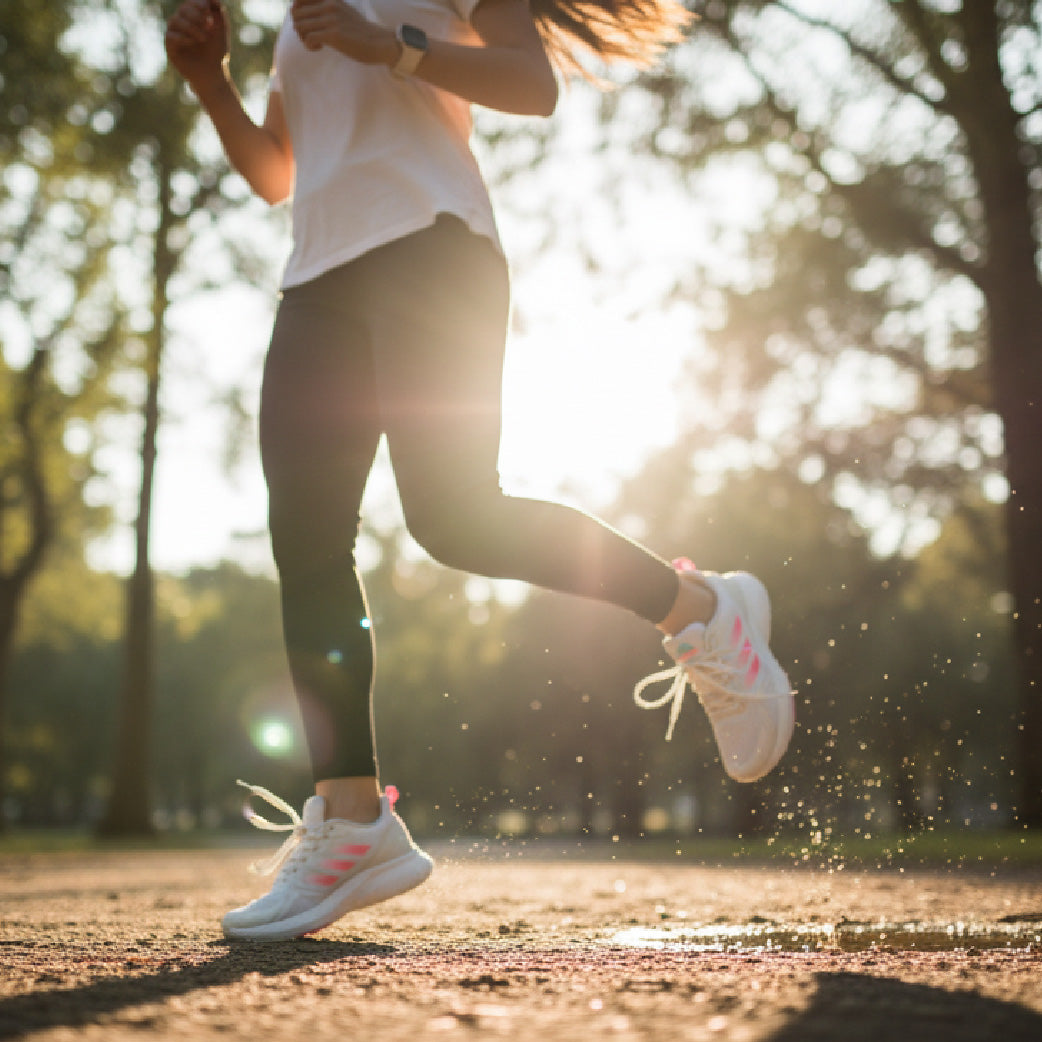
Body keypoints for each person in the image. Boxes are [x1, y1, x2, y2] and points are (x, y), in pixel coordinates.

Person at [165, 0, 796, 942]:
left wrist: (394, 48)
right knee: (304, 538)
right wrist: (210, 80)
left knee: (454, 515)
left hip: (434, 244)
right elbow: (276, 172)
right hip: (317, 275)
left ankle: (699, 612)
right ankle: (351, 821)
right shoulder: (297, 20)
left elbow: (528, 83)